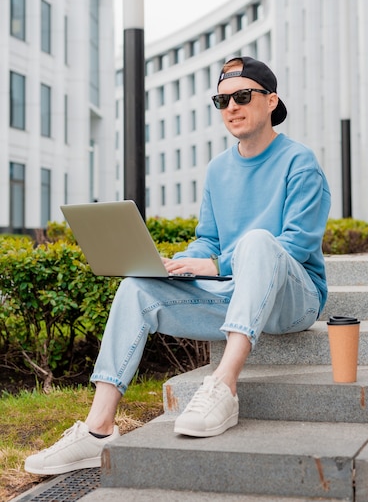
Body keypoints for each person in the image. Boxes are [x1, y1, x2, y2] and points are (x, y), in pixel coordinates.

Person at [25, 56, 331, 475]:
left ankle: (223, 385)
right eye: (221, 101)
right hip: (236, 294)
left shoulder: (300, 162)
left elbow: (295, 245)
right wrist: (188, 262)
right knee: (137, 287)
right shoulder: (218, 169)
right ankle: (97, 430)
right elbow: (209, 238)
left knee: (258, 242)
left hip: (294, 300)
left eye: (242, 96)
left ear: (271, 100)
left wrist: (215, 264)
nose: (232, 108)